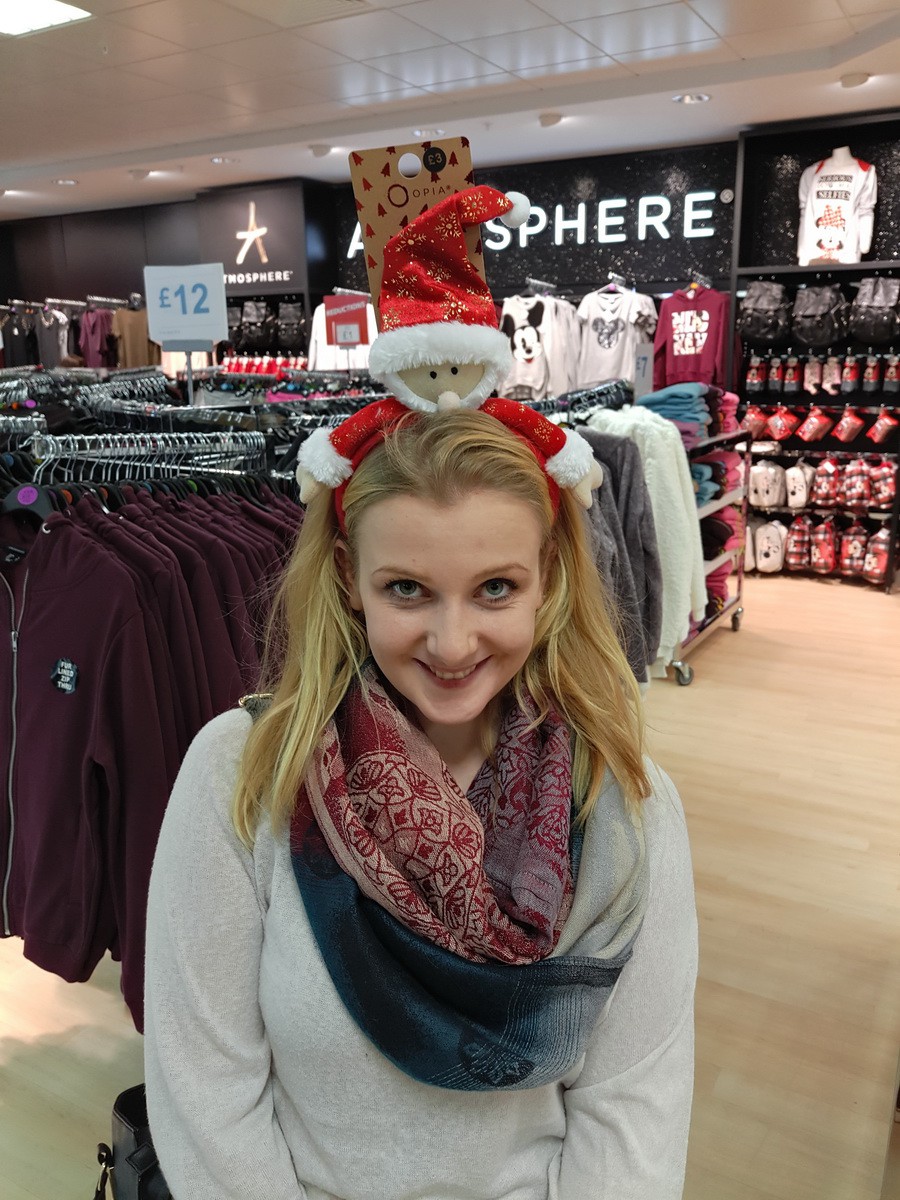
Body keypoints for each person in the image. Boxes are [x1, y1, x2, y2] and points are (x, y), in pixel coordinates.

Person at [144, 401, 699, 1200]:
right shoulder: (242, 776)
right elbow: (205, 1090)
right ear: (349, 577)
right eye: (407, 589)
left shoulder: (625, 808)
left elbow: (634, 1110)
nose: (452, 643)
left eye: (495, 588)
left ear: (548, 577)